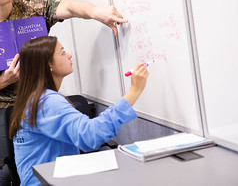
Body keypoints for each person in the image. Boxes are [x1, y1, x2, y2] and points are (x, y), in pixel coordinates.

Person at [0, 0, 128, 185]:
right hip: (4, 106)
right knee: (3, 174)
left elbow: (68, 6)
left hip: (42, 98)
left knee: (74, 156)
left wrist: (94, 12)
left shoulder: (31, 8)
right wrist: (5, 80)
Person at [9, 36, 149, 185]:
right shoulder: (46, 102)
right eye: (62, 53)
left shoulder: (34, 98)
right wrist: (133, 91)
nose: (69, 55)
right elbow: (90, 136)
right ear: (49, 64)